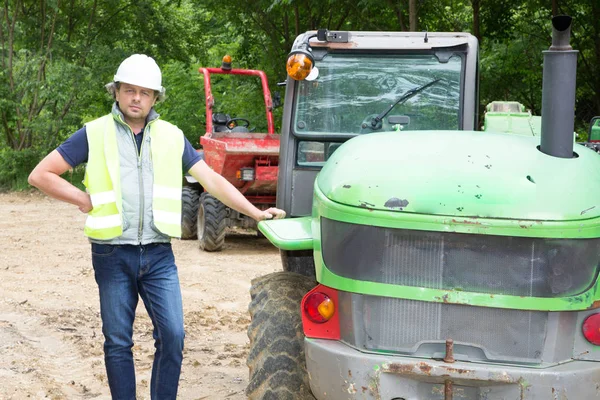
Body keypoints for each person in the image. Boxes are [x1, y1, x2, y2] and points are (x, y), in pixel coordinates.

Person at [28, 54, 286, 400]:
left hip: (158, 255)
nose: (136, 98)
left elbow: (211, 180)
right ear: (116, 92)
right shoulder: (94, 133)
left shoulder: (171, 136)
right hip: (111, 253)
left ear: (155, 97)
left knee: (174, 335)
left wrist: (255, 212)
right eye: (129, 90)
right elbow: (40, 174)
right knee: (118, 341)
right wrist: (82, 199)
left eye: (145, 92)